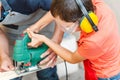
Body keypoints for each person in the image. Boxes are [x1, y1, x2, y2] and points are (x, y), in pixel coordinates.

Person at [27, 0, 120, 80]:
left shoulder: (93, 42)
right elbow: (61, 9)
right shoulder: (95, 6)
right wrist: (37, 26)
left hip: (108, 75)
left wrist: (45, 39)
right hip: (99, 57)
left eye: (66, 26)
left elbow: (72, 58)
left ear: (83, 23)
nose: (61, 28)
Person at [0, 0, 63, 80]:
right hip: (11, 31)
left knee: (46, 70)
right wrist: (4, 56)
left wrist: (56, 41)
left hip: (44, 23)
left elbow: (61, 6)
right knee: (12, 72)